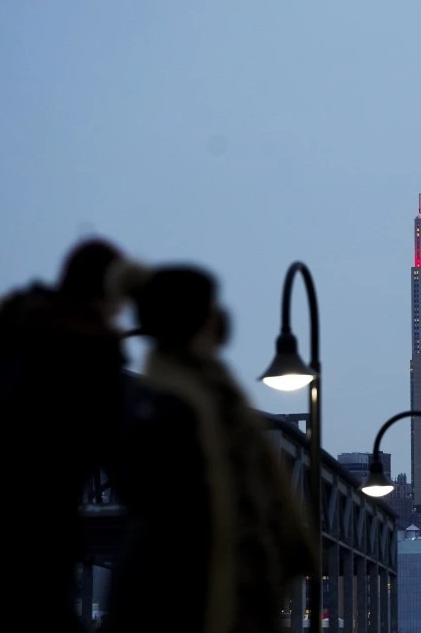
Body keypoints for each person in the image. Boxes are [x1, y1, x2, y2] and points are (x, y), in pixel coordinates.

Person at [0, 238, 147, 633]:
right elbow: (121, 454)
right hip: (42, 540)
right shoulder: (86, 350)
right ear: (106, 294)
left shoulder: (3, 337)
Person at [105, 265, 315, 633]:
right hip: (188, 607)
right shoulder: (169, 407)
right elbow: (183, 524)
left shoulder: (209, 395)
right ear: (201, 319)